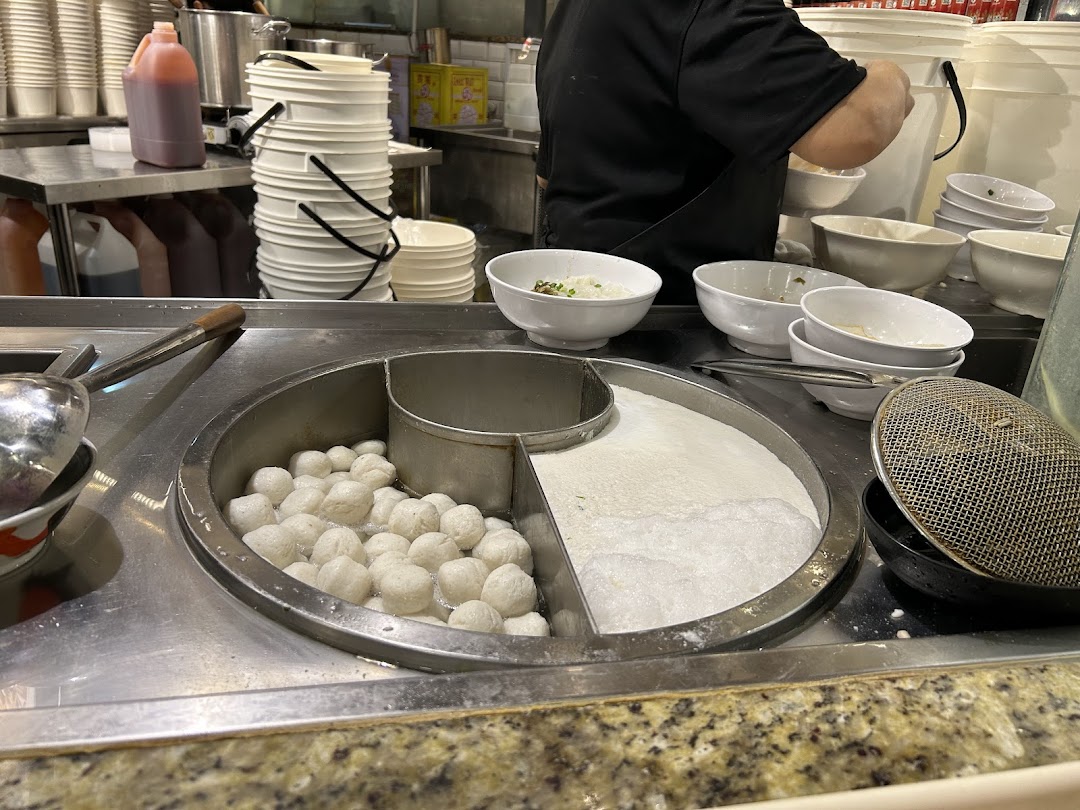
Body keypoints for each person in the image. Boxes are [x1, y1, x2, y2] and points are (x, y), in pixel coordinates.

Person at [535, 0, 915, 304]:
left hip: (578, 287)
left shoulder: (576, 9)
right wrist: (888, 71)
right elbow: (857, 128)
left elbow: (547, 173)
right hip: (663, 308)